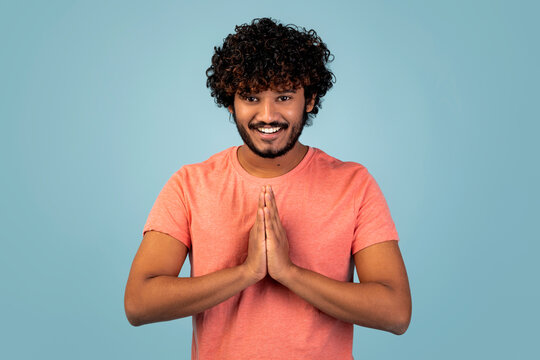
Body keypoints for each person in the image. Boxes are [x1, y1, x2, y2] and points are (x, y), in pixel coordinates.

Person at [124, 17, 411, 359]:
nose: (267, 115)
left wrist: (289, 273)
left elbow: (395, 312)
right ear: (230, 102)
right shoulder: (190, 184)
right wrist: (247, 273)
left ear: (310, 99)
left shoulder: (353, 184)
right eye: (251, 97)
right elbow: (139, 304)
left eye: (284, 96)